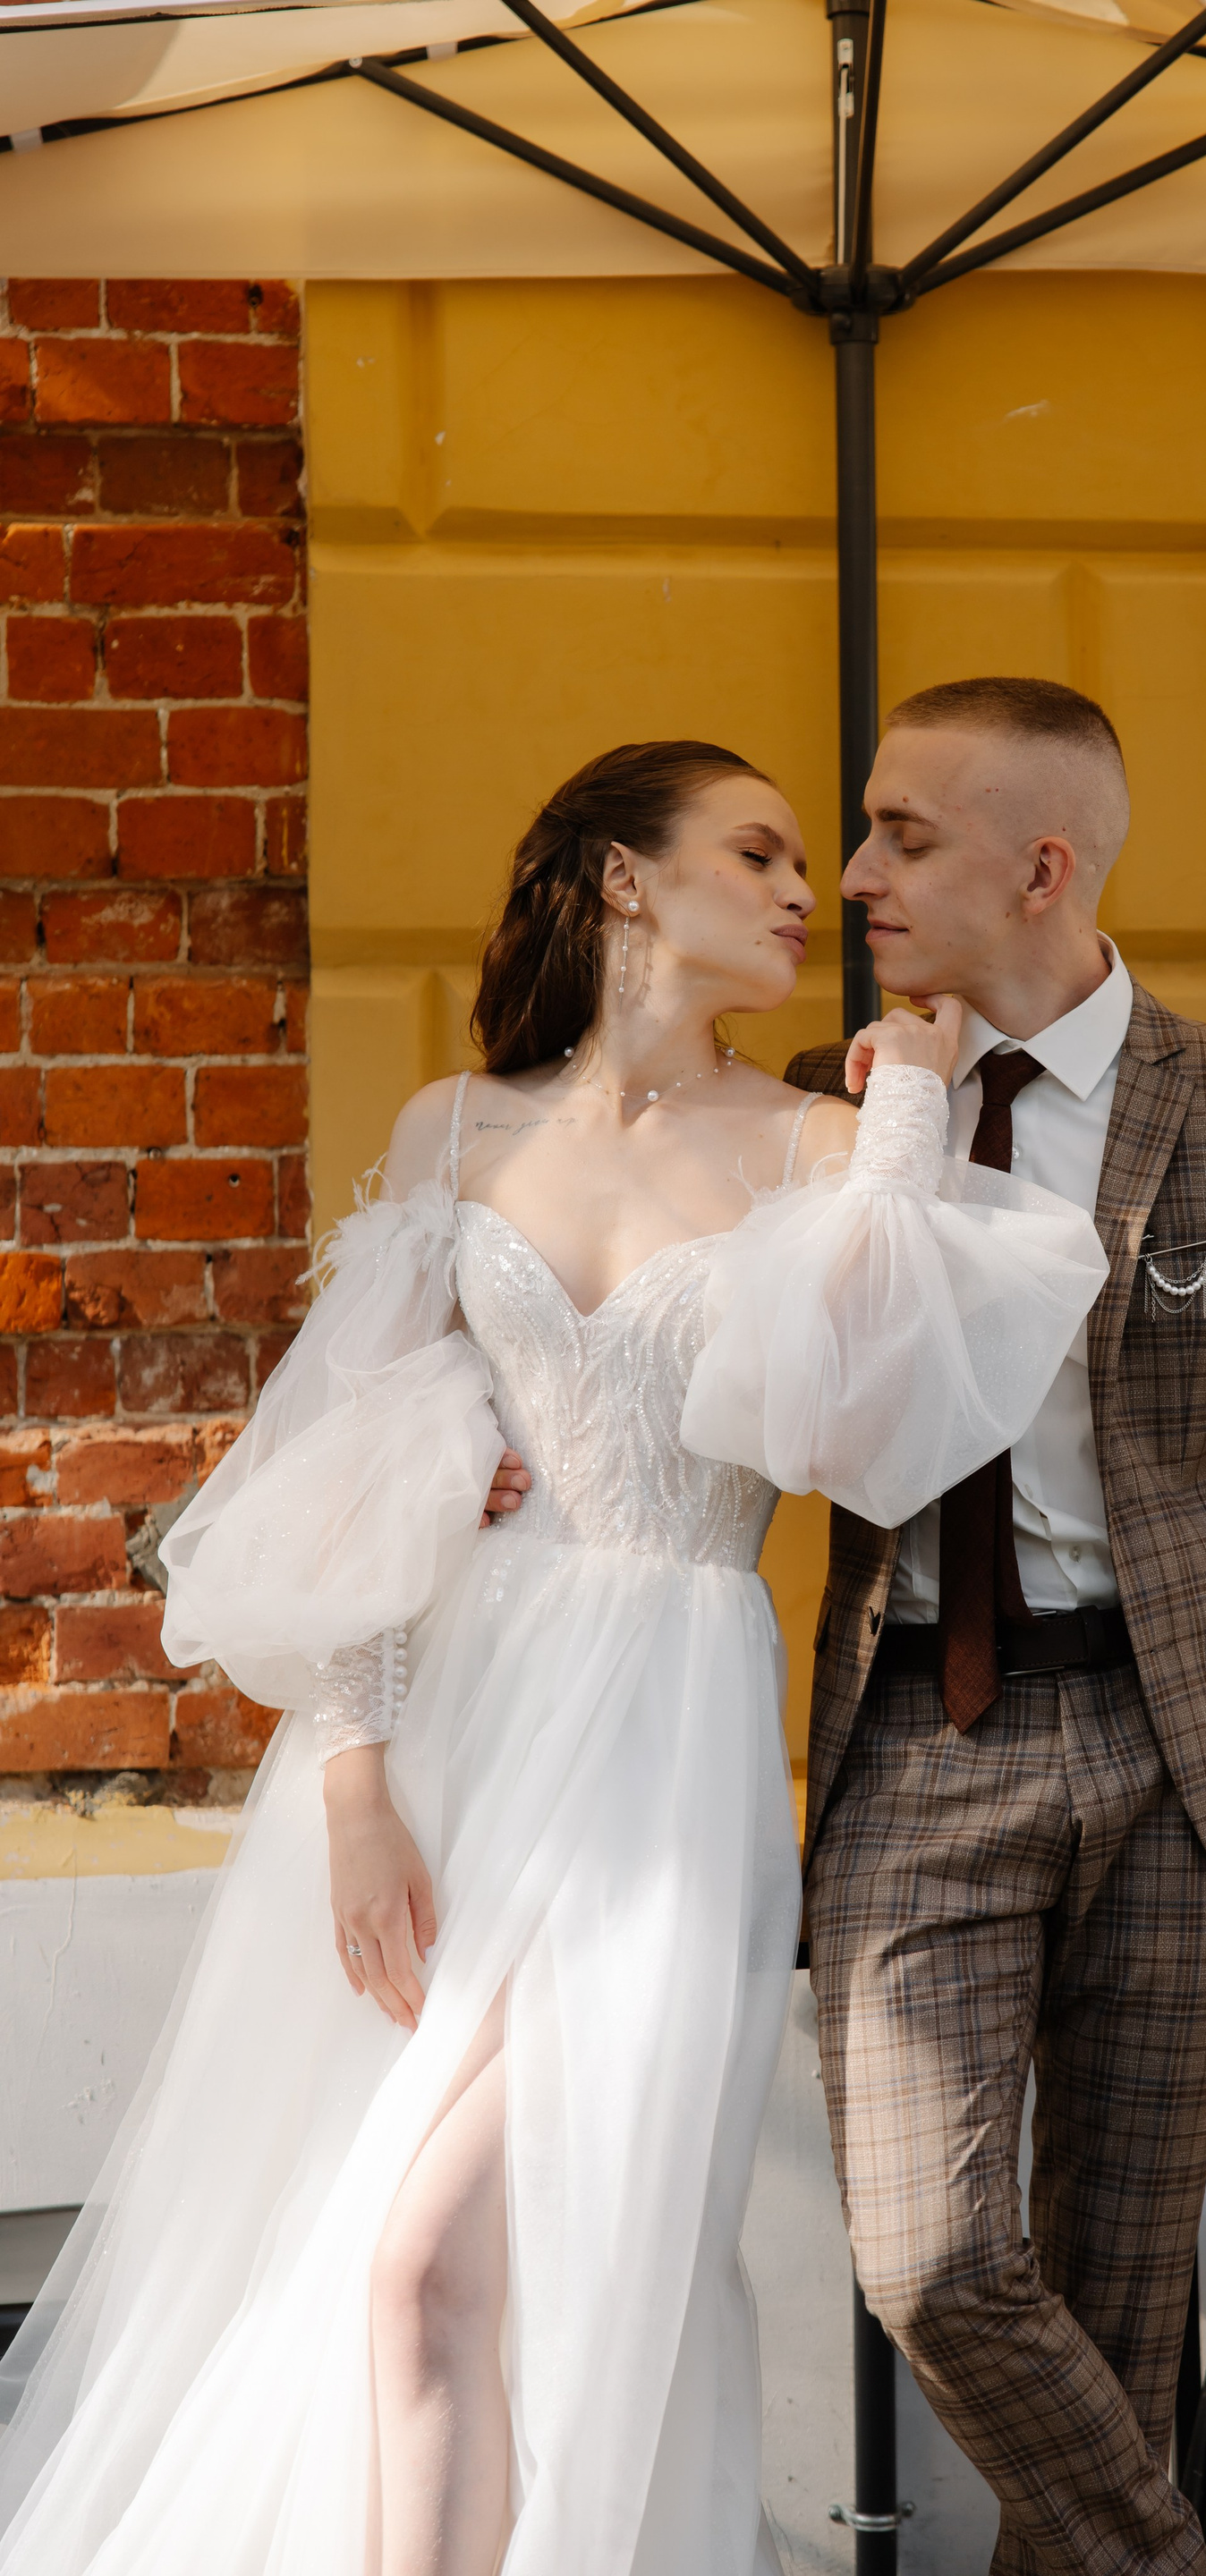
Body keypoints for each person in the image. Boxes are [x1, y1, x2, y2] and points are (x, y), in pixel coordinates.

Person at [0, 740, 1108, 2576]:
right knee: (374, 2274)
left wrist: (913, 1110)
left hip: (658, 1752)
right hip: (446, 1735)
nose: (805, 891)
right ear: (620, 879)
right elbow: (355, 1487)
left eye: (807, 861)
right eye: (755, 852)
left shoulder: (821, 1143)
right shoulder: (456, 1130)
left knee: (445, 2259)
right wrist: (356, 1795)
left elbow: (866, 1423)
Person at [492, 678, 1206, 2576]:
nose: (856, 875)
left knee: (1119, 2289)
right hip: (919, 1725)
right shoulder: (823, 1111)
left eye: (905, 836)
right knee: (930, 2260)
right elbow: (656, 1338)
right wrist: (485, 1450)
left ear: (1042, 869)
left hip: (1180, 1743)